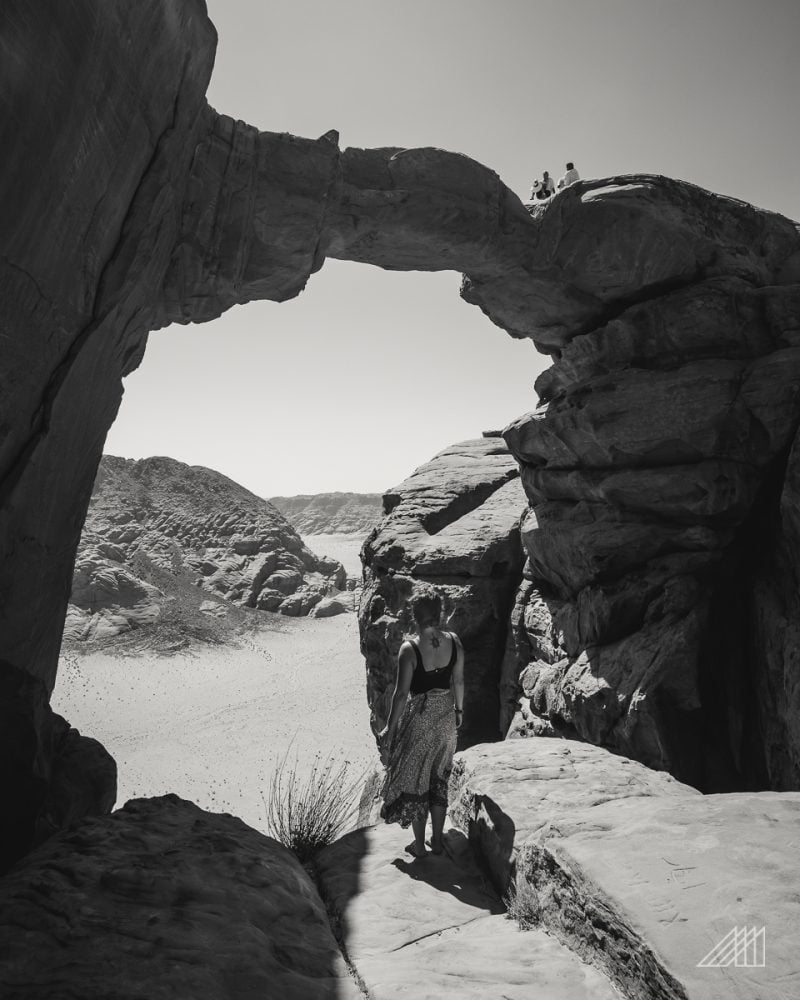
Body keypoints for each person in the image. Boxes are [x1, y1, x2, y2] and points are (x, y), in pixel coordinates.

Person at [378, 590, 465, 857]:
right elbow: (458, 681)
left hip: (420, 718)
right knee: (439, 778)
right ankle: (437, 841)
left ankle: (419, 845)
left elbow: (402, 694)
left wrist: (389, 730)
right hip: (446, 717)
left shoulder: (410, 648)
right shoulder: (454, 641)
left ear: (414, 616)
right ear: (439, 614)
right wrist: (459, 710)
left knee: (418, 782)